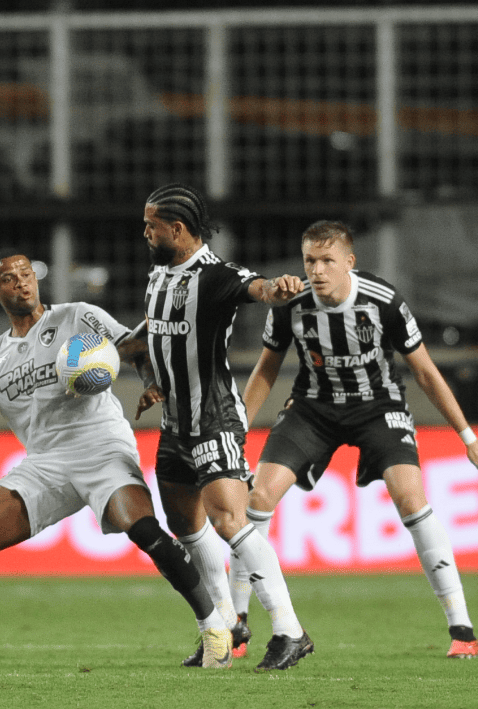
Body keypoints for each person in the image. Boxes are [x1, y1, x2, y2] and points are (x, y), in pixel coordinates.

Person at [0, 249, 237, 670]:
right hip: (45, 463)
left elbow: (134, 349)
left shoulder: (78, 317)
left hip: (102, 446)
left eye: (26, 273)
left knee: (145, 530)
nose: (21, 282)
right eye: (8, 278)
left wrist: (148, 382)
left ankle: (215, 630)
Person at [233, 220, 478, 659]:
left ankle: (462, 631)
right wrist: (239, 429)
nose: (316, 271)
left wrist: (468, 438)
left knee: (411, 498)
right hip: (313, 408)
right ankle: (238, 629)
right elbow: (265, 369)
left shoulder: (384, 301)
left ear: (349, 263)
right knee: (257, 497)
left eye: (326, 261)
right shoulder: (289, 303)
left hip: (378, 406)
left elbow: (426, 372)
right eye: (309, 261)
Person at [136, 183, 312, 671]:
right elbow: (149, 339)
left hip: (213, 418)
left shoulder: (215, 275)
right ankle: (227, 626)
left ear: (177, 229)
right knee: (184, 526)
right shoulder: (157, 276)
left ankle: (290, 630)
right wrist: (152, 381)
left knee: (229, 522)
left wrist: (279, 288)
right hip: (175, 424)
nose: (145, 231)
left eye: (152, 224)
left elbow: (256, 287)